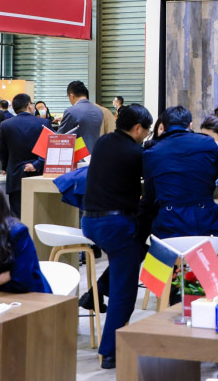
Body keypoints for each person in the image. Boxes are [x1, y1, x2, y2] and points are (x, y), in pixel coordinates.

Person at [82, 104, 152, 367]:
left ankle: (96, 291)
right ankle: (110, 352)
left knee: (137, 251)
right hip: (115, 225)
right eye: (146, 131)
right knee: (125, 292)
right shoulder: (136, 153)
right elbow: (152, 184)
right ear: (137, 128)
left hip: (90, 222)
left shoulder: (103, 143)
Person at [142, 105, 218, 238]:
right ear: (190, 125)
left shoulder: (151, 153)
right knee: (210, 252)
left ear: (162, 126)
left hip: (169, 228)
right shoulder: (208, 143)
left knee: (165, 251)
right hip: (207, 226)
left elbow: (150, 197)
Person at [0, 93, 49, 217]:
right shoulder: (43, 123)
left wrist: (5, 167)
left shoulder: (6, 124)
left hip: (15, 174)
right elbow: (49, 149)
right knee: (38, 214)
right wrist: (36, 164)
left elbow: (2, 149)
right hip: (38, 175)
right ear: (29, 105)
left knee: (17, 215)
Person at [59, 81, 105, 150]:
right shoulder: (99, 111)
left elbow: (60, 136)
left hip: (79, 154)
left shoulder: (71, 111)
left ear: (71, 96)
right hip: (95, 153)